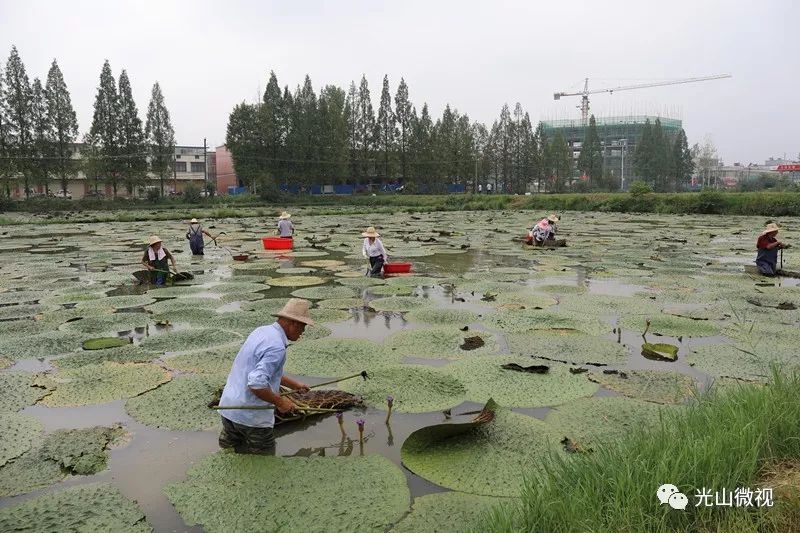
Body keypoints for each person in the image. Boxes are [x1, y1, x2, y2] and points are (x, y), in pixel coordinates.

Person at [217, 298, 314, 455]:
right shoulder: (277, 347)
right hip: (252, 417)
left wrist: (294, 385)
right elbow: (256, 383)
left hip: (229, 409)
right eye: (303, 327)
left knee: (228, 457)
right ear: (294, 323)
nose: (303, 332)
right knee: (265, 467)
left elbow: (264, 372)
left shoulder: (261, 331)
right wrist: (281, 402)